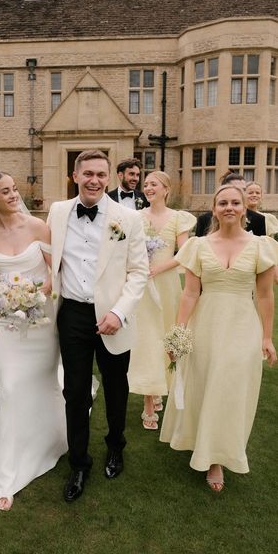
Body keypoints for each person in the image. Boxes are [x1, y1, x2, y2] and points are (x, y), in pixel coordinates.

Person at [160, 184, 277, 492]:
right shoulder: (198, 246)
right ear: (214, 209)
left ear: (244, 209)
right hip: (206, 325)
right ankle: (203, 443)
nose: (229, 207)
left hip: (242, 326)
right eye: (222, 202)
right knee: (205, 384)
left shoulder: (261, 245)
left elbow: (265, 295)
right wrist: (178, 333)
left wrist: (267, 337)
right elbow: (190, 293)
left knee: (230, 388)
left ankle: (217, 460)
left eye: (235, 202)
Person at [48, 149, 149, 503]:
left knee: (116, 388)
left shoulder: (129, 218)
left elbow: (139, 272)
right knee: (74, 392)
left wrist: (119, 312)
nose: (94, 180)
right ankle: (79, 462)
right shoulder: (58, 212)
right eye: (87, 173)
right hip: (72, 314)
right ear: (75, 176)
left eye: (100, 175)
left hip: (113, 316)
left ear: (109, 178)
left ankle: (116, 446)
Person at [0, 171, 67, 511]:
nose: (13, 195)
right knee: (11, 387)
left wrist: (32, 295)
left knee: (43, 382)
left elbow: (53, 271)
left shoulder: (39, 227)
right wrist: (1, 293)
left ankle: (51, 441)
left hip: (41, 322)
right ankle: (7, 470)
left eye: (14, 189)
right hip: (6, 327)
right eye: (5, 191)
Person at [128, 171, 196, 429]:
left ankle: (160, 387)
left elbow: (184, 253)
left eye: (153, 184)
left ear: (166, 189)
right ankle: (148, 399)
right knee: (146, 338)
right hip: (142, 286)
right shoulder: (136, 217)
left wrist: (157, 269)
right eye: (145, 185)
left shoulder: (179, 218)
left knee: (167, 336)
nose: (148, 188)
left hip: (167, 284)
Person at [195, 172, 265, 236]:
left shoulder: (258, 219)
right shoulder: (204, 220)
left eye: (243, 190)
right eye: (235, 188)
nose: (240, 192)